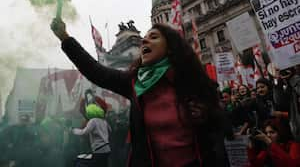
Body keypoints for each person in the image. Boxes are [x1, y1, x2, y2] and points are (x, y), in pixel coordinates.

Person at [51, 18, 223, 167]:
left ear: (170, 47)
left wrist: (206, 114)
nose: (144, 42)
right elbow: (96, 72)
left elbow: (221, 127)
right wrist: (65, 38)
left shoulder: (192, 82)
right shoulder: (135, 83)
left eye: (153, 37)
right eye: (144, 40)